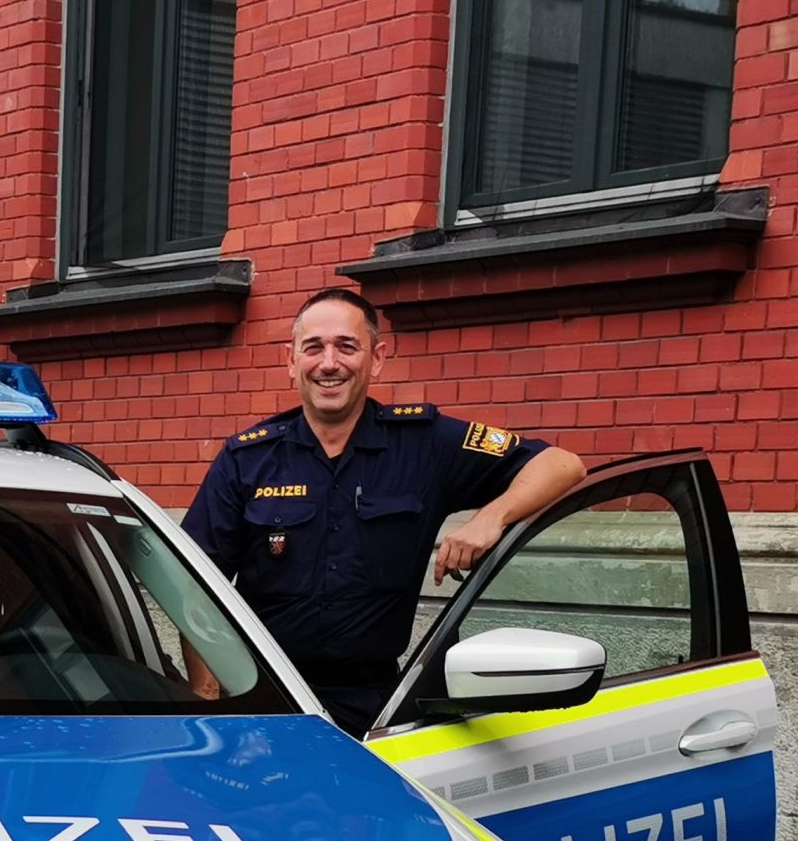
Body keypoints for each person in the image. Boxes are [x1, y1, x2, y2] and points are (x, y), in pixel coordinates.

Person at [181, 286, 586, 736]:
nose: (329, 363)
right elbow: (195, 587)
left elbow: (562, 464)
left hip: (373, 709)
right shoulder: (247, 459)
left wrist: (491, 517)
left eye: (346, 347)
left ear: (376, 358)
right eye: (313, 347)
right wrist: (209, 704)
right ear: (291, 360)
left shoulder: (424, 443)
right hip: (264, 699)